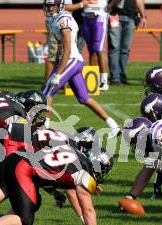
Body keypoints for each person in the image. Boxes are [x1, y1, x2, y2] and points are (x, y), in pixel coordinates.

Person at [42, 0, 121, 138]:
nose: (50, 8)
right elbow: (61, 48)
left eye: (52, 5)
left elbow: (67, 50)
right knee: (84, 98)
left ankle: (44, 129)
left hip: (70, 60)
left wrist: (58, 73)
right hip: (72, 60)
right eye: (48, 5)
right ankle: (113, 124)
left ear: (60, 5)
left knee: (47, 91)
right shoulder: (58, 19)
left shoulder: (63, 20)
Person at [108, 0, 147, 85]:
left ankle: (121, 76)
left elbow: (139, 0)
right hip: (115, 15)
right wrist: (110, 6)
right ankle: (115, 78)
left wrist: (143, 16)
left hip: (130, 17)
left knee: (125, 49)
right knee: (114, 48)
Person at [81, 0, 110, 90]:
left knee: (100, 49)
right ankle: (93, 80)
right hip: (86, 16)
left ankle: (104, 81)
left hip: (99, 16)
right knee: (91, 50)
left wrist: (110, 6)